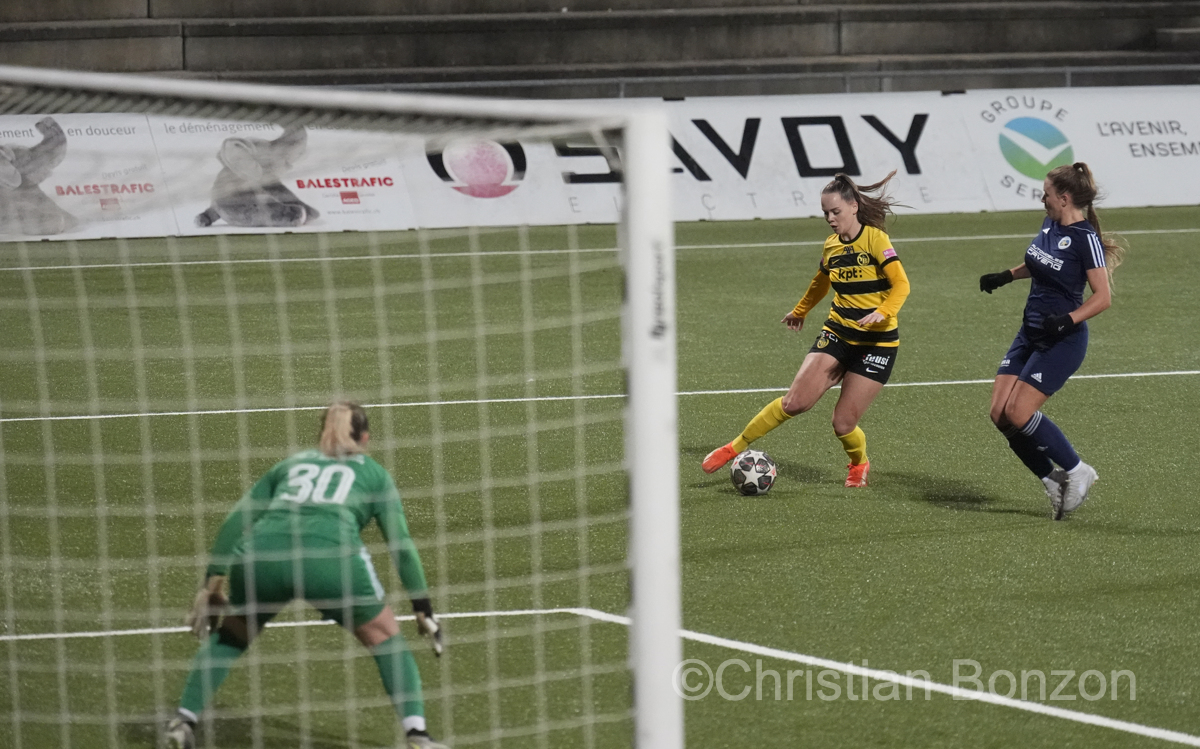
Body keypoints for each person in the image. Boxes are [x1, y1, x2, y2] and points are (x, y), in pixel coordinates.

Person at [164, 402, 447, 749]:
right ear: (366, 438)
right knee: (385, 636)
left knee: (232, 635)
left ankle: (183, 720)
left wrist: (212, 582)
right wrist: (423, 606)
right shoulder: (374, 475)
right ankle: (416, 734)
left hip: (262, 556)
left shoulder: (291, 465)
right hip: (330, 559)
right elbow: (400, 546)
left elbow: (237, 519)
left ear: (320, 435)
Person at [702, 171, 911, 487]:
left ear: (853, 206)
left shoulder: (875, 239)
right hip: (838, 334)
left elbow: (901, 285)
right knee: (794, 403)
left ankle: (859, 463)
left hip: (877, 344)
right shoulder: (831, 246)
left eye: (835, 211)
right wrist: (800, 311)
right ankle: (735, 447)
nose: (829, 218)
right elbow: (820, 282)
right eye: (825, 212)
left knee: (842, 423)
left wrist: (882, 312)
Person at [979, 162, 1124, 519]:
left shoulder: (1085, 238)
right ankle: (1052, 481)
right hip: (1029, 332)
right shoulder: (1051, 222)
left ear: (1064, 197)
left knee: (1018, 412)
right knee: (1000, 414)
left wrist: (1068, 320)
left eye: (1046, 193)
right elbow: (1041, 261)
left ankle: (1077, 471)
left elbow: (1103, 296)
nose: (1041, 199)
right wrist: (1007, 276)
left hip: (1063, 341)